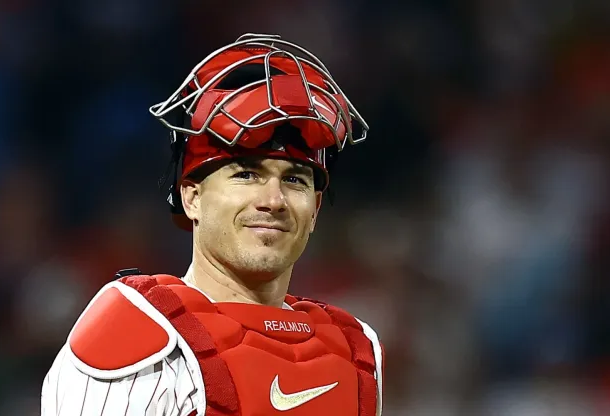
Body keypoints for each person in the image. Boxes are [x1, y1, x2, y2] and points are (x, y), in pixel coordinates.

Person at [41, 33, 383, 416]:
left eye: (294, 179)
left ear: (316, 209)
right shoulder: (138, 336)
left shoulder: (355, 350)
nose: (273, 200)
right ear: (192, 197)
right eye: (246, 174)